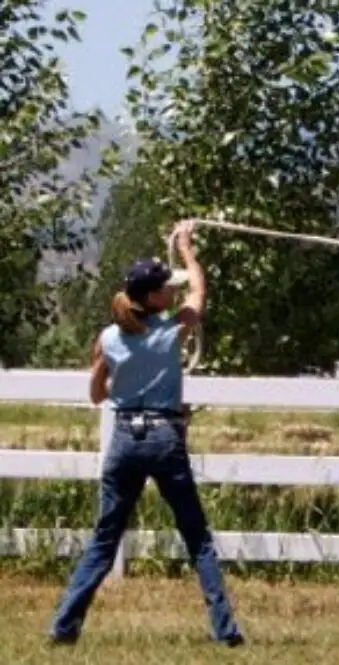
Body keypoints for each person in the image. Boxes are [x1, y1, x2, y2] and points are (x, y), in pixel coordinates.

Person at [48, 220, 244, 647]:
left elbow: (97, 394)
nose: (172, 292)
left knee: (105, 539)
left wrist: (126, 382)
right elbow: (199, 292)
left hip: (124, 440)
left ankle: (64, 626)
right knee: (198, 539)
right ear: (153, 297)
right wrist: (187, 248)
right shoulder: (172, 331)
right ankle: (226, 632)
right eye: (166, 289)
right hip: (164, 437)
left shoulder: (109, 337)